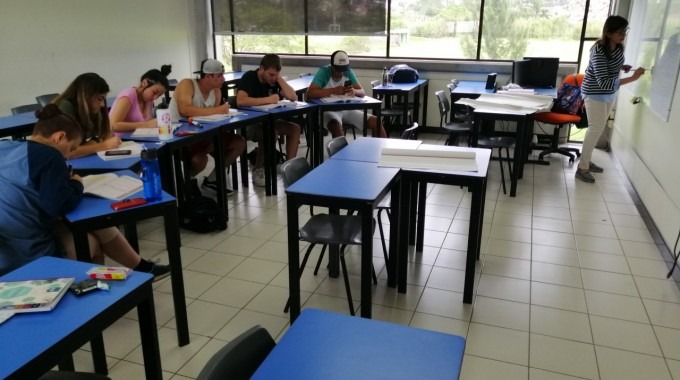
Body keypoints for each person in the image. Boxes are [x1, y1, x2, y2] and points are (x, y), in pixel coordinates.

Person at [0, 104, 170, 279]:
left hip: (7, 243)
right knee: (92, 240)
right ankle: (96, 290)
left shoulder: (6, 146)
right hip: (27, 252)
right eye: (72, 148)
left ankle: (140, 269)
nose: (68, 156)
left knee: (98, 227)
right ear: (59, 137)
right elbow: (59, 205)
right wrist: (76, 183)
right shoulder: (49, 155)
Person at [576, 15, 645, 183]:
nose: (623, 35)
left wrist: (622, 67)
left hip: (608, 93)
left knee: (597, 130)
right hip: (594, 93)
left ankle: (587, 160)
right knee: (595, 129)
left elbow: (612, 66)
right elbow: (604, 80)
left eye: (625, 31)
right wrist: (633, 78)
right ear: (608, 33)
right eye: (620, 32)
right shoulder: (598, 50)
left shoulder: (618, 47)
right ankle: (582, 168)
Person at [169, 59, 246, 192]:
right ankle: (187, 181)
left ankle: (212, 179)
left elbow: (216, 118)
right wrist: (217, 110)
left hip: (205, 134)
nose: (223, 79)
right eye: (219, 76)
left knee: (238, 142)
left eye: (223, 74)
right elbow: (184, 110)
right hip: (181, 136)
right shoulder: (187, 84)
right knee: (200, 160)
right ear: (207, 76)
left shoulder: (216, 91)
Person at [236, 54, 301, 187]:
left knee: (294, 129)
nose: (272, 78)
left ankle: (289, 168)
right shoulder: (249, 77)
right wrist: (268, 100)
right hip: (248, 123)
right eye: (270, 74)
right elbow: (240, 101)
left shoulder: (274, 80)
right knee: (270, 133)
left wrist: (279, 79)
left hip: (268, 121)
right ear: (261, 68)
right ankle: (258, 170)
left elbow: (293, 96)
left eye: (275, 75)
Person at [306, 50, 387, 138]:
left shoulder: (348, 71)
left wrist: (354, 91)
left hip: (347, 110)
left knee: (376, 122)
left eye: (343, 70)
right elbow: (310, 94)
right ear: (332, 66)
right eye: (338, 70)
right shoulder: (324, 72)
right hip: (328, 111)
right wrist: (334, 91)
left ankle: (382, 151)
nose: (341, 73)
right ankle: (342, 151)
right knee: (336, 127)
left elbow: (362, 91)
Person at [52, 73, 122, 159]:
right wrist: (103, 146)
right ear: (86, 96)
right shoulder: (65, 107)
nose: (103, 104)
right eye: (99, 99)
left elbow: (107, 132)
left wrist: (95, 143)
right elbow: (66, 153)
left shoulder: (89, 108)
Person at [109, 65, 172, 132]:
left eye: (159, 96)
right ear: (144, 83)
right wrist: (146, 125)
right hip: (120, 140)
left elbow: (149, 124)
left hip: (138, 138)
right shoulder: (128, 96)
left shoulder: (148, 100)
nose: (155, 98)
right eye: (154, 92)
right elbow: (113, 126)